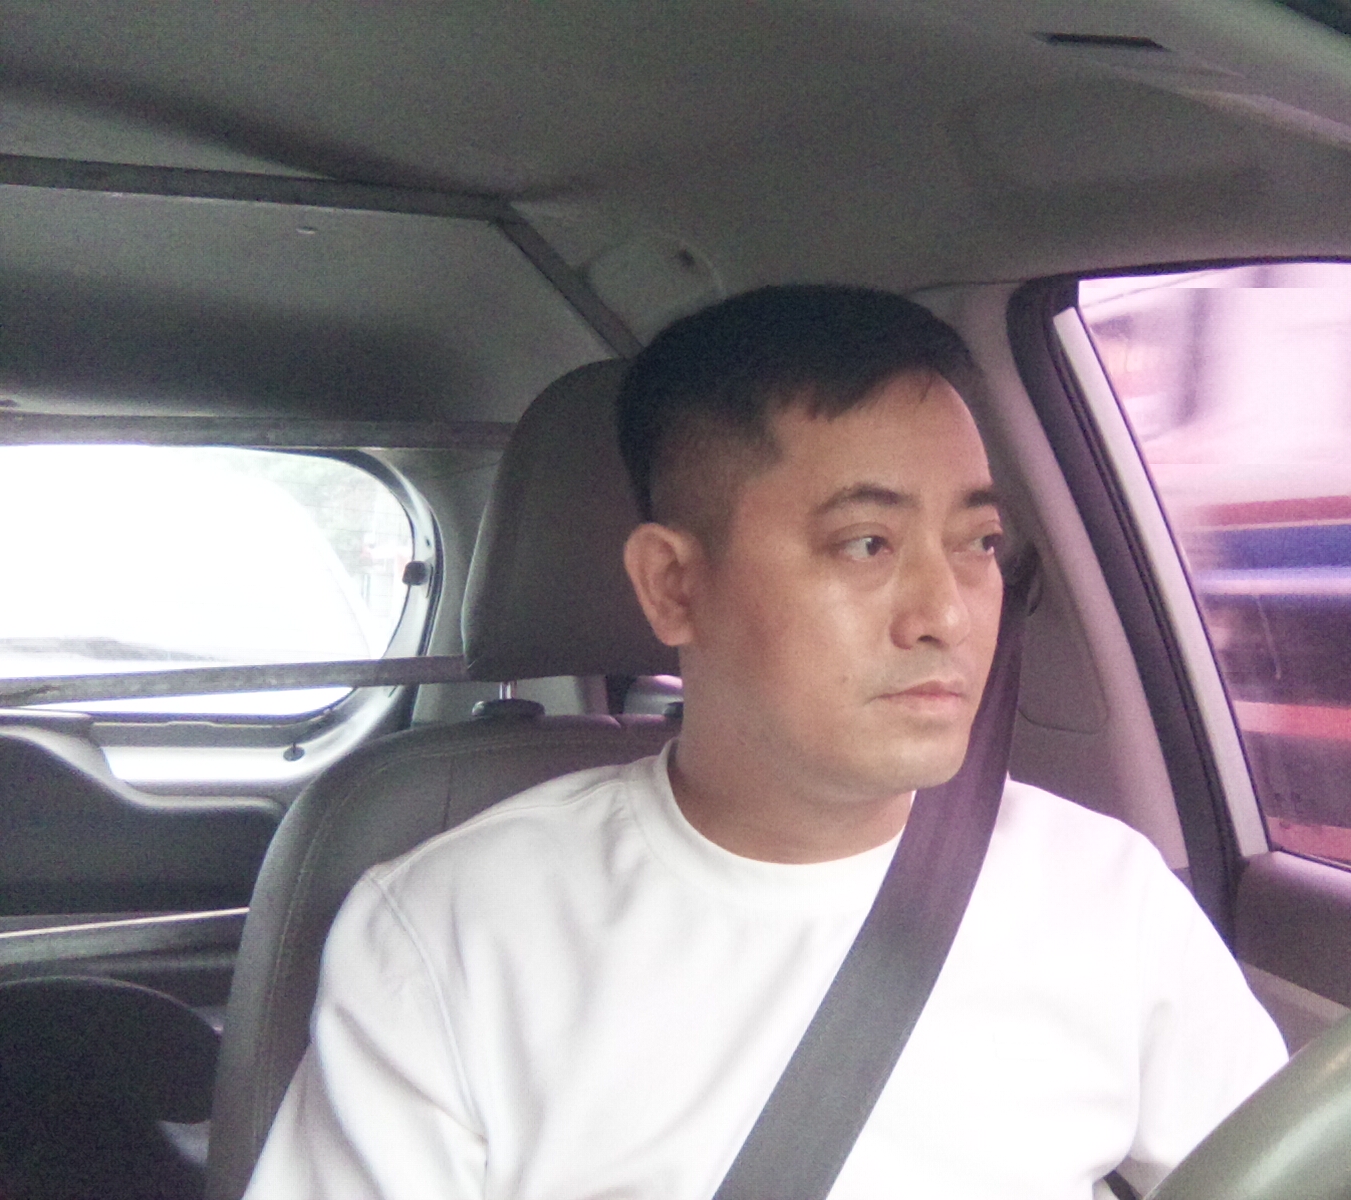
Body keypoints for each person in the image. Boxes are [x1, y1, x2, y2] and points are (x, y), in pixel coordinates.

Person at [245, 285, 1286, 1199]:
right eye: (866, 544)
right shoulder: (455, 932)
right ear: (673, 584)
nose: (949, 613)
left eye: (977, 543)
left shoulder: (1106, 897)